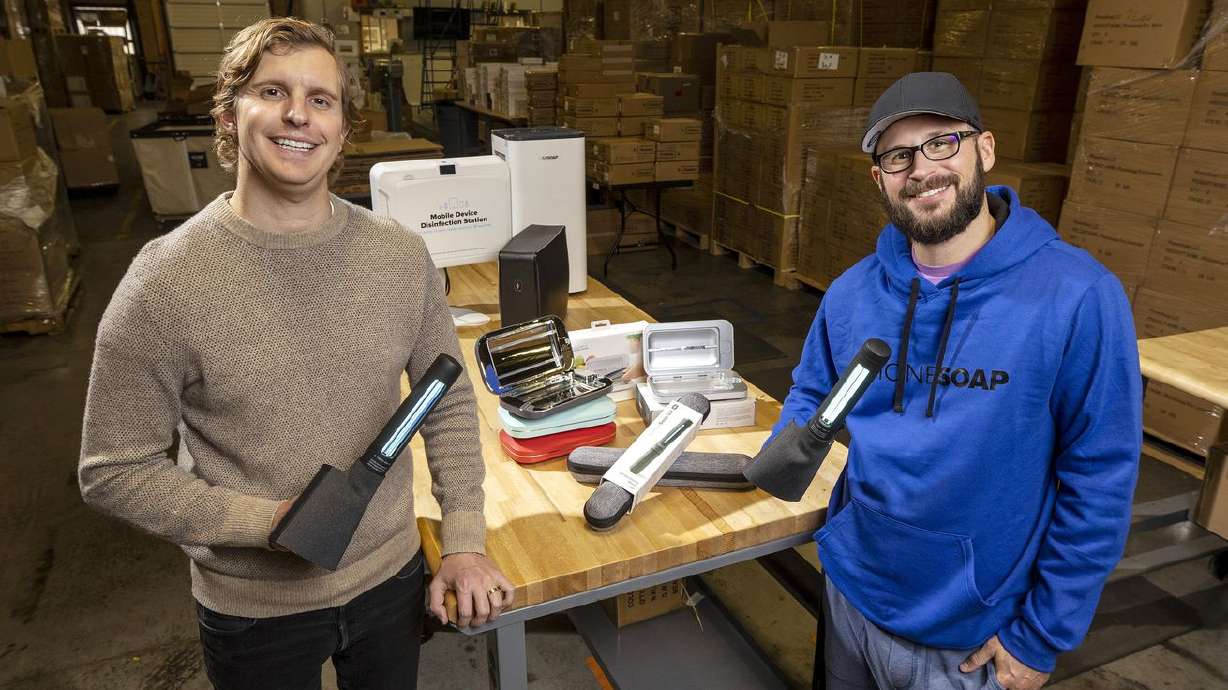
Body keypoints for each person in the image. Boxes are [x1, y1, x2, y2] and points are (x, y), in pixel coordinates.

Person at [78, 17, 512, 690]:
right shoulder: (165, 282)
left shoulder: (399, 255)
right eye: (271, 92)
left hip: (390, 580)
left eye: (320, 100)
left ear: (342, 129)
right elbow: (114, 468)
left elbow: (446, 401)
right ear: (228, 114)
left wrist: (462, 538)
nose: (297, 116)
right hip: (254, 613)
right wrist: (267, 524)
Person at [771, 72, 1141, 690]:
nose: (921, 169)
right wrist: (787, 459)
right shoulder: (852, 293)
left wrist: (1040, 638)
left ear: (985, 150)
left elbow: (1099, 475)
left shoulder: (1077, 296)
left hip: (970, 640)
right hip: (852, 597)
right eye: (898, 156)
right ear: (880, 178)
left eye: (942, 143)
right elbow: (813, 394)